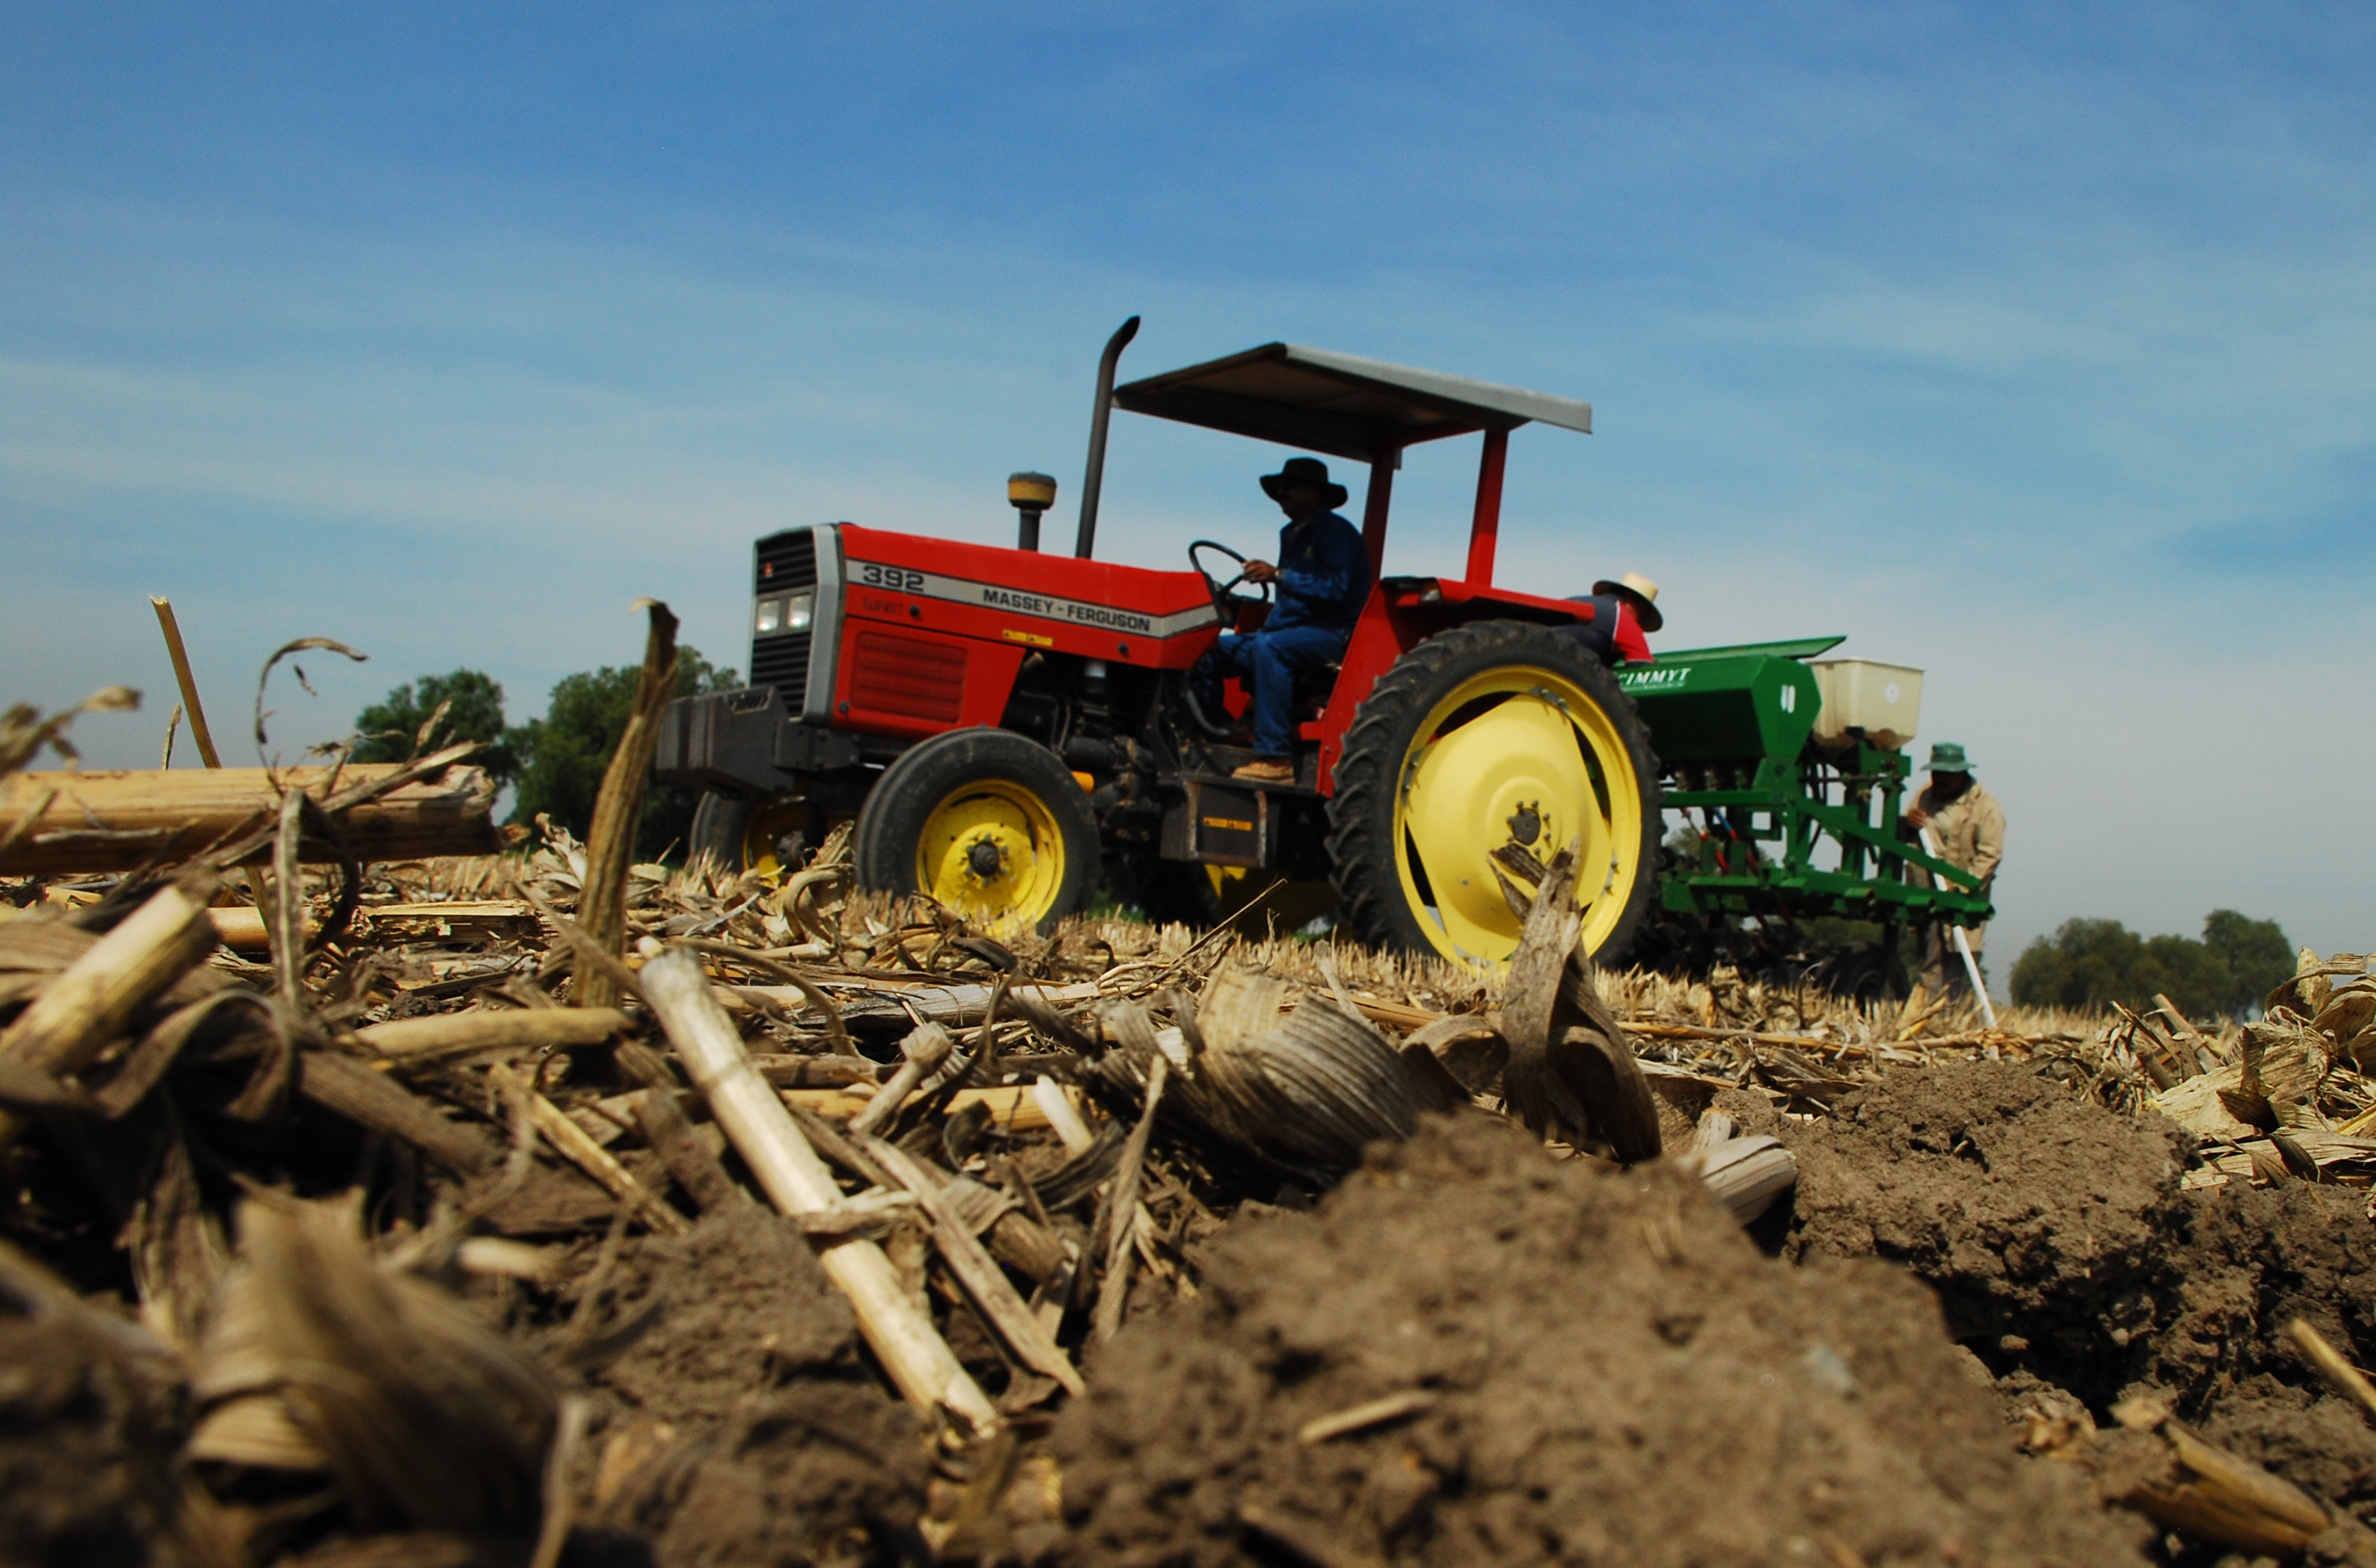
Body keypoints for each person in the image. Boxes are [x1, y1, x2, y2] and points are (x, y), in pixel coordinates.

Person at [1186, 457, 1372, 784]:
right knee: (1204, 648)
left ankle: (1275, 758)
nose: (1282, 492)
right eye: (1280, 486)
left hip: (1332, 634)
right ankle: (1214, 733)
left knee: (1271, 648)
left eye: (1290, 485)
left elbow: (1334, 589)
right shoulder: (1290, 533)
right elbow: (1289, 598)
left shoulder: (1337, 533)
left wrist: (1278, 575)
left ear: (1314, 492)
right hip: (1290, 631)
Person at [1903, 742, 2004, 996]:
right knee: (1930, 962)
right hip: (1928, 898)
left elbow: (1990, 855)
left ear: (1962, 773)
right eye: (1936, 774)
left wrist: (1960, 888)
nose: (1941, 780)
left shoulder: (1986, 807)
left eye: (1948, 775)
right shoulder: (1925, 796)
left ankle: (1955, 1018)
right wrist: (1907, 823)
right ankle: (1930, 1015)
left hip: (1963, 902)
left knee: (1960, 965)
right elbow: (1906, 836)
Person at [1556, 571, 1661, 664]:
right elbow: (1642, 663)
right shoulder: (1622, 617)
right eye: (1644, 613)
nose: (1640, 621)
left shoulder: (1570, 601)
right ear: (1633, 600)